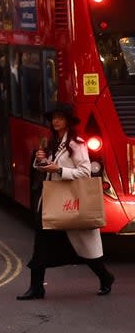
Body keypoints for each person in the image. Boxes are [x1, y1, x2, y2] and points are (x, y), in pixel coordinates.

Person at [17, 103, 116, 300]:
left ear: (68, 122)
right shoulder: (52, 142)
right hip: (52, 200)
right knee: (41, 244)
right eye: (53, 118)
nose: (55, 121)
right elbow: (47, 168)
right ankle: (37, 288)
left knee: (83, 248)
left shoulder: (77, 144)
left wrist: (60, 170)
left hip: (71, 201)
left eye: (60, 117)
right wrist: (40, 161)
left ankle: (105, 276)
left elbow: (85, 172)